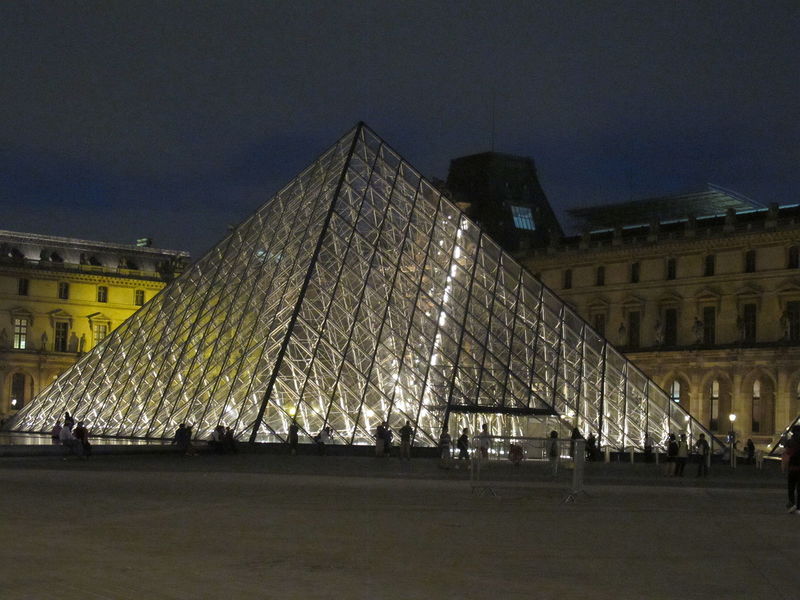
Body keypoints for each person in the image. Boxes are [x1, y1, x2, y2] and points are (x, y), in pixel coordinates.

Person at [782, 425, 800, 514]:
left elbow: (786, 455)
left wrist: (784, 467)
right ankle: (799, 507)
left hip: (792, 468)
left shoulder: (790, 442)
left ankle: (792, 504)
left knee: (791, 488)